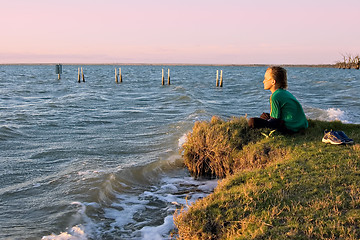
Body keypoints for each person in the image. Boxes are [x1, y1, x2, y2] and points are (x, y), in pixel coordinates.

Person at [248, 66, 308, 133]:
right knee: (264, 116)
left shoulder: (275, 96)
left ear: (273, 82)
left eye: (265, 79)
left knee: (252, 121)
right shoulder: (284, 92)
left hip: (290, 128)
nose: (263, 81)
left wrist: (267, 121)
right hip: (300, 125)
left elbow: (275, 119)